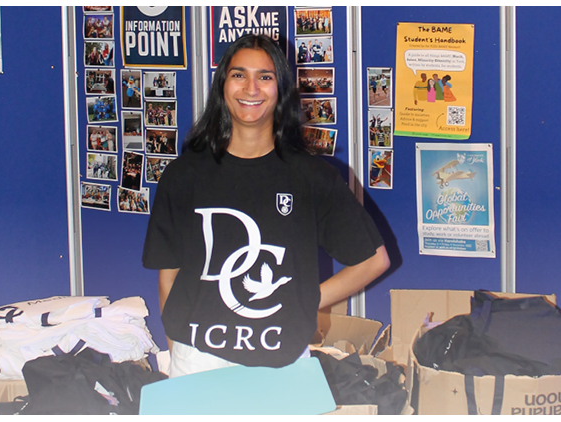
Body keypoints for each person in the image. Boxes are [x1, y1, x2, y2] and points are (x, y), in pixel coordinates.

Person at [142, 34, 389, 378]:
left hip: (282, 358)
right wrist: (178, 351)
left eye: (265, 76)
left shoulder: (311, 177)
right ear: (222, 84)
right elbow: (168, 278)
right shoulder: (184, 175)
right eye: (238, 75)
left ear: (281, 89)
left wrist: (303, 300)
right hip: (197, 357)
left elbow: (374, 260)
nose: (251, 88)